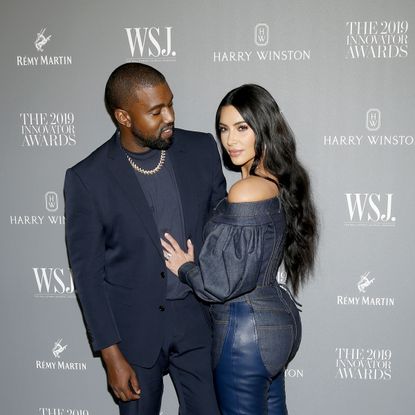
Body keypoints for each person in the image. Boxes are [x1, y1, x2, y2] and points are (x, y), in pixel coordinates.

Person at [64, 62, 226, 415]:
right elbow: (88, 276)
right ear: (123, 116)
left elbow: (221, 230)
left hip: (197, 321)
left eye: (170, 104)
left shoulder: (200, 150)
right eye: (156, 111)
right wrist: (110, 354)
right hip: (134, 333)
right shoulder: (88, 178)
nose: (169, 116)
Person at [161, 84, 318, 415]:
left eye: (242, 128)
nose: (230, 140)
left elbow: (220, 284)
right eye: (223, 129)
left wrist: (186, 268)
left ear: (263, 128)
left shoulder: (245, 190)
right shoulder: (275, 180)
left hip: (244, 332)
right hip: (278, 323)